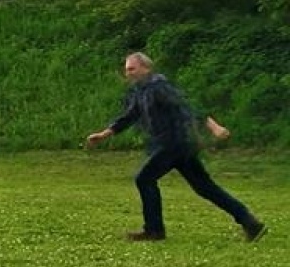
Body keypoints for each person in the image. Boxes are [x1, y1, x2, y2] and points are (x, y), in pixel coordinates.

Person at [85, 52, 266, 243]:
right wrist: (105, 134)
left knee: (144, 179)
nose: (127, 73)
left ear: (145, 68)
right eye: (126, 69)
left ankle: (154, 231)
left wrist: (214, 127)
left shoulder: (159, 87)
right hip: (177, 146)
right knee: (204, 187)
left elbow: (187, 107)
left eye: (132, 68)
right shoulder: (141, 90)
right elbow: (130, 115)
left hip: (173, 143)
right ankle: (250, 223)